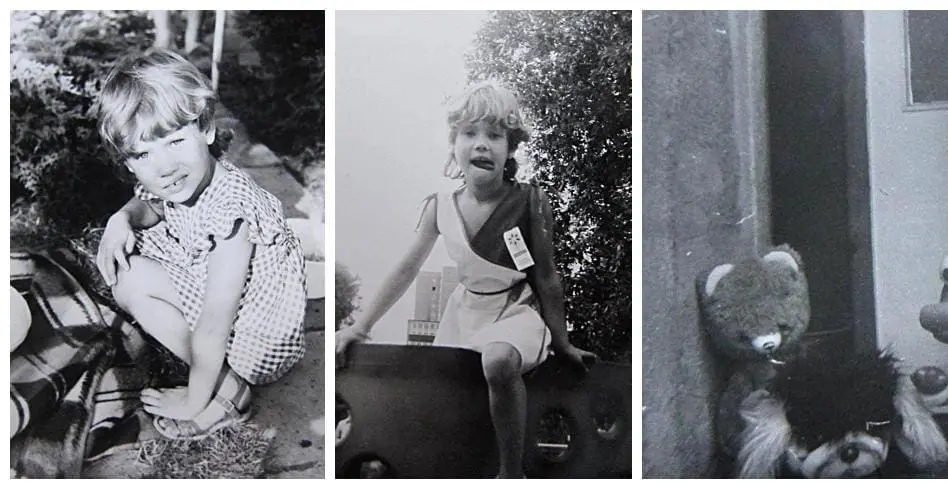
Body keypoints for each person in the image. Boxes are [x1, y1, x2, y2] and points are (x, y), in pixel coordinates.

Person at [335, 81, 598, 478]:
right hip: (466, 312)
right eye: (470, 133)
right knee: (441, 391)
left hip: (515, 311)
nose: (481, 144)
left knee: (497, 360)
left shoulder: (529, 200)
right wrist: (360, 326)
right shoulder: (440, 206)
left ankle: (511, 474)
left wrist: (562, 342)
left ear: (510, 149)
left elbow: (547, 277)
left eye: (495, 135)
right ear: (453, 144)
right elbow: (405, 269)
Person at [91, 49, 306, 441]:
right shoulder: (186, 179)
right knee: (130, 267)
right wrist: (121, 218)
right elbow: (151, 204)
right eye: (142, 153)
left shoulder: (231, 212)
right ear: (127, 161)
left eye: (174, 141)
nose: (163, 167)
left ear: (205, 128)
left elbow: (214, 320)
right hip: (238, 314)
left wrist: (193, 398)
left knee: (131, 278)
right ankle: (217, 377)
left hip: (257, 343)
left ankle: (226, 390)